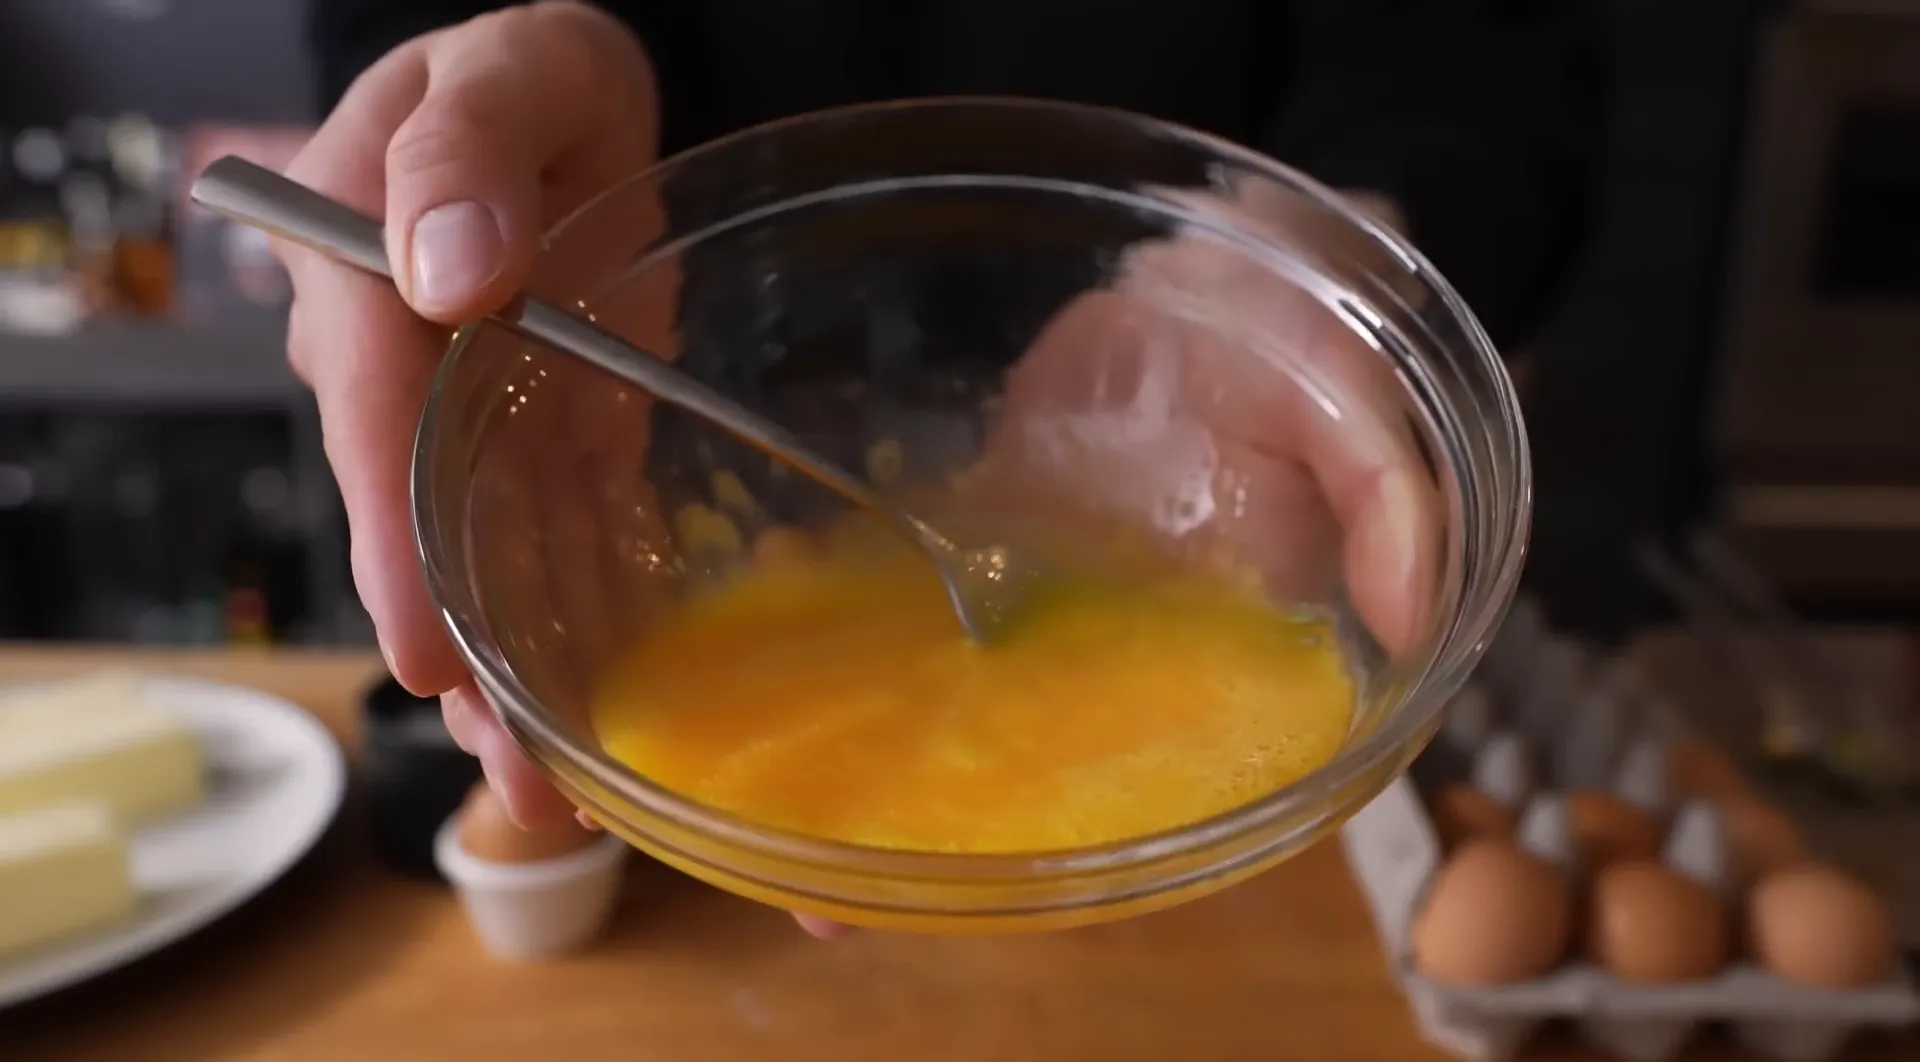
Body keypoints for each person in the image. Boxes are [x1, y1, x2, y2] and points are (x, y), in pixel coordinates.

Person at [292, 0, 1603, 937]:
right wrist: (474, 63)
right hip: (649, 343)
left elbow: (1483, 43)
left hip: (1217, 365)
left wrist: (1343, 233)